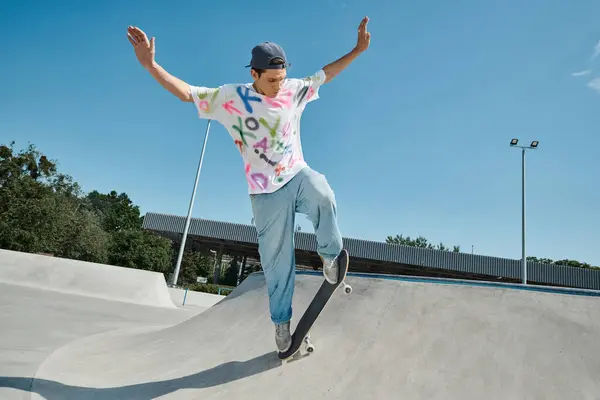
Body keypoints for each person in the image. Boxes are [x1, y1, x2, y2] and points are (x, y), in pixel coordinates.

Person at [127, 17, 370, 352]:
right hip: (264, 194)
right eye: (271, 80)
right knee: (277, 264)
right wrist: (151, 65)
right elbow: (186, 93)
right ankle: (282, 327)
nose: (278, 86)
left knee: (322, 190)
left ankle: (330, 258)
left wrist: (357, 50)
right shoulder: (231, 98)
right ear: (253, 74)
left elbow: (326, 73)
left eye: (282, 79)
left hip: (295, 175)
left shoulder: (294, 90)